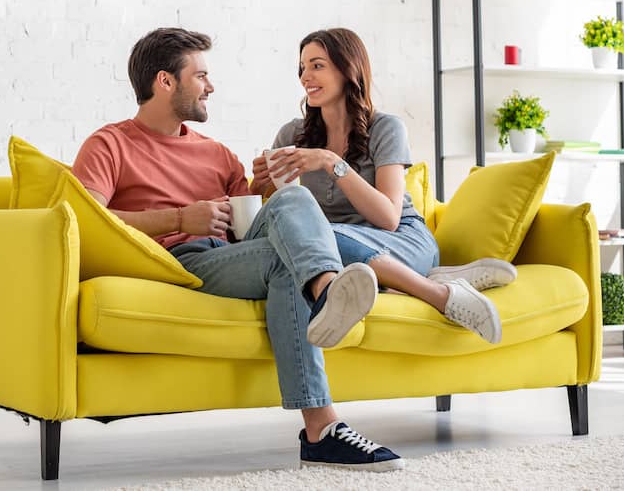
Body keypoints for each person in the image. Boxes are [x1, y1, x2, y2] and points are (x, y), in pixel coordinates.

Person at [72, 28, 404, 472]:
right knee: (288, 253)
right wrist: (177, 220)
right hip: (180, 263)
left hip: (233, 255)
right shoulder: (108, 144)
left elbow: (253, 225)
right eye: (201, 76)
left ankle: (321, 418)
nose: (211, 86)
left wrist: (268, 185)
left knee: (293, 204)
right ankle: (327, 307)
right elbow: (84, 223)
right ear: (165, 81)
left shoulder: (217, 154)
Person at [252, 28, 517, 347]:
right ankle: (428, 283)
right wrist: (261, 184)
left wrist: (330, 162)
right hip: (340, 253)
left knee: (314, 236)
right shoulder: (292, 135)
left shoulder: (385, 128)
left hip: (402, 242)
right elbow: (273, 212)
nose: (305, 76)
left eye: (317, 65)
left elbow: (388, 218)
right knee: (299, 240)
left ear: (348, 69)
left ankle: (439, 294)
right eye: (302, 67)